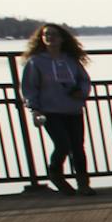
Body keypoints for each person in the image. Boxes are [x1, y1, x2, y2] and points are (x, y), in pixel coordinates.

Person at [21, 23, 93, 195]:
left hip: (73, 109)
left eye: (54, 34)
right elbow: (29, 87)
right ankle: (55, 175)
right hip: (50, 111)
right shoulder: (36, 62)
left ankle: (83, 184)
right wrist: (34, 108)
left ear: (62, 38)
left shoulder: (70, 60)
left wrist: (81, 92)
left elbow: (84, 80)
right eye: (46, 34)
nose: (49, 37)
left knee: (77, 147)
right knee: (62, 144)